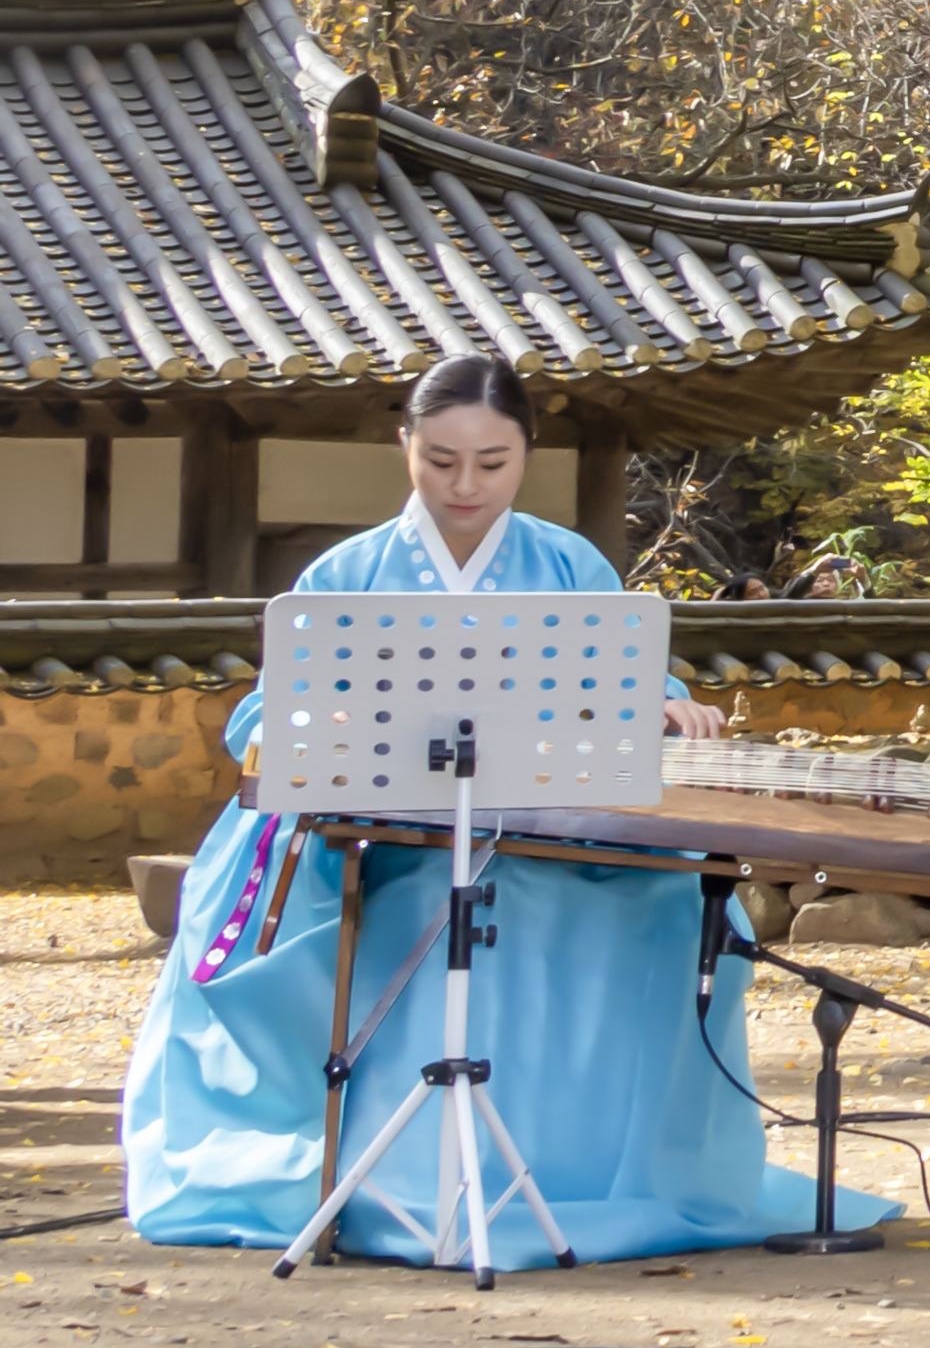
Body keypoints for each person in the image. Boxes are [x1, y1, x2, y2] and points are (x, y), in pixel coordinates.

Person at [122, 353, 864, 1257]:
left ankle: (590, 1177)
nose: (464, 485)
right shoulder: (347, 573)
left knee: (667, 909)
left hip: (547, 833)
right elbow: (270, 709)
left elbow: (628, 674)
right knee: (436, 908)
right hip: (392, 841)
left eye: (492, 462)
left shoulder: (569, 563)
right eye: (439, 460)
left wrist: (666, 704)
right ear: (405, 444)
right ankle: (400, 1183)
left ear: (527, 455)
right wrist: (303, 724)